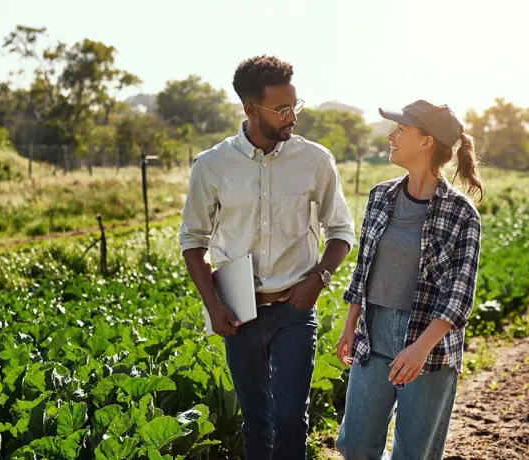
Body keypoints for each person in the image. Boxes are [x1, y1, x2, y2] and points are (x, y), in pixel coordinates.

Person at [178, 55, 356, 460]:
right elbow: (193, 240)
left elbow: (341, 232)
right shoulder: (211, 165)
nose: (291, 116)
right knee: (256, 424)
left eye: (295, 105)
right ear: (250, 109)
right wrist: (214, 305)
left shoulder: (315, 160)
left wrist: (318, 280)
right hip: (239, 313)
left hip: (295, 308)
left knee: (292, 420)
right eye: (281, 109)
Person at [335, 100, 484, 460]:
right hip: (375, 332)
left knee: (413, 454)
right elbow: (364, 268)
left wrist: (421, 347)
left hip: (430, 344)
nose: (392, 136)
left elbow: (459, 296)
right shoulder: (380, 196)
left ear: (426, 141)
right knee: (354, 445)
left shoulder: (462, 213)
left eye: (401, 130)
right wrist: (350, 324)